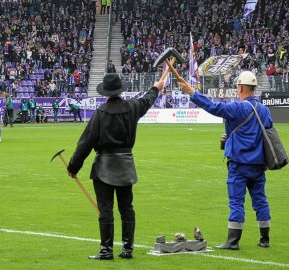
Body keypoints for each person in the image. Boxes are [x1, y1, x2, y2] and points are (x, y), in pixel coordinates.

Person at [67, 73, 163, 260]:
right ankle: (128, 249)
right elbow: (147, 100)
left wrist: (73, 166)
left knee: (106, 210)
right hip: (126, 165)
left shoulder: (101, 113)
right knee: (127, 208)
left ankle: (106, 250)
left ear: (106, 93)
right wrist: (156, 88)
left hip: (104, 166)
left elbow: (86, 142)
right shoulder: (132, 107)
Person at [178, 71, 272, 250]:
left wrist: (191, 92)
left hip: (239, 163)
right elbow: (267, 136)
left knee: (236, 201)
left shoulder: (238, 108)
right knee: (260, 199)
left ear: (241, 87)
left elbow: (213, 108)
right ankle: (265, 238)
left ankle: (233, 241)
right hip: (259, 164)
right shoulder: (264, 110)